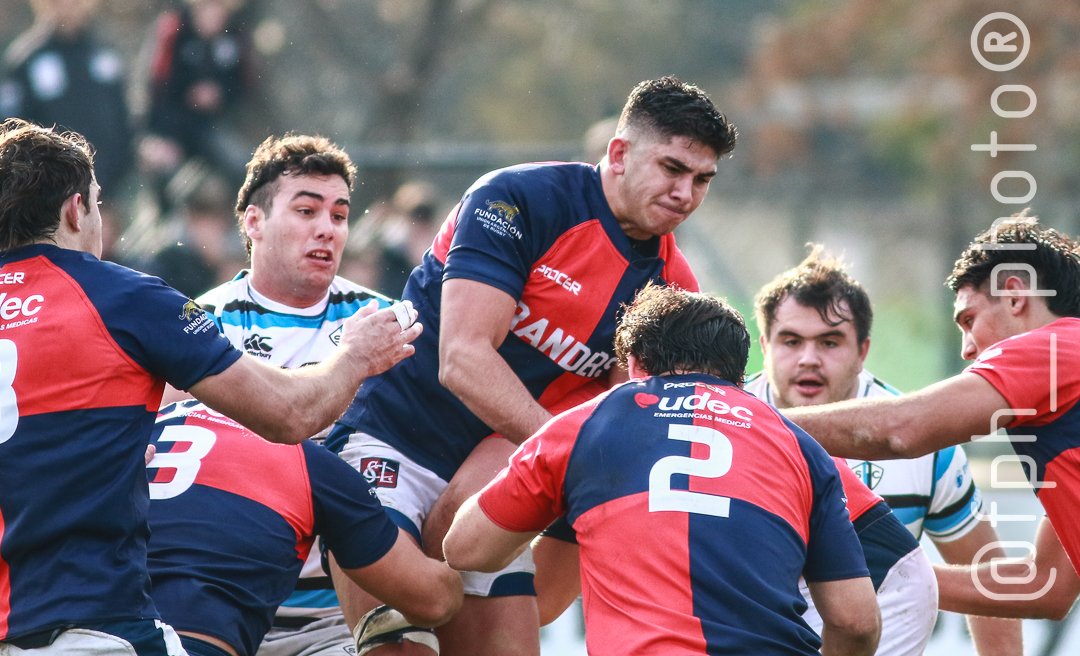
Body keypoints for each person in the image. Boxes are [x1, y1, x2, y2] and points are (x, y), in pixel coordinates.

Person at [325, 75, 737, 655]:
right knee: (410, 633)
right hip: (392, 438)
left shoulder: (671, 289)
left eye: (702, 180)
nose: (686, 193)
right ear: (618, 154)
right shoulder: (517, 198)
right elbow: (463, 360)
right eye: (672, 169)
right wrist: (559, 452)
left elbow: (619, 432)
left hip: (504, 456)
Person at [0, 117, 419, 654]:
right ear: (75, 209)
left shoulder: (373, 310)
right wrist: (355, 357)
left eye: (338, 214)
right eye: (100, 204)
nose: (327, 228)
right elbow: (287, 416)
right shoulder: (126, 298)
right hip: (94, 625)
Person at [443, 283, 881, 655]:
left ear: (634, 365)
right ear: (739, 373)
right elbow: (856, 621)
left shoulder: (588, 424)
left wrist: (566, 496)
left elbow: (464, 549)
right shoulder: (803, 446)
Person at [781, 214, 1080, 622]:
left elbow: (901, 429)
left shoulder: (1054, 349)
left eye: (968, 320)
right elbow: (1044, 586)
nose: (967, 350)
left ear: (1015, 295)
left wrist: (749, 422)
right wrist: (878, 571)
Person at [745, 245, 1022, 654]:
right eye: (791, 341)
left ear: (862, 352)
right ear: (765, 347)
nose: (808, 359)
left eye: (829, 342)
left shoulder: (923, 444)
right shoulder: (719, 424)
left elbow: (989, 578)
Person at [191, 132, 405, 656]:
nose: (326, 230)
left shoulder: (387, 323)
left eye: (338, 215)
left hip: (343, 611)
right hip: (218, 598)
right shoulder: (199, 323)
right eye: (306, 211)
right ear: (254, 222)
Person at [145, 400, 462, 656]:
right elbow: (432, 600)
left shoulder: (130, 433)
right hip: (202, 641)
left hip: (111, 633)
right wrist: (452, 562)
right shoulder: (312, 461)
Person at [1, 0, 135, 201]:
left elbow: (121, 120)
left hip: (109, 185)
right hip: (51, 190)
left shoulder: (105, 54)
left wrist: (118, 176)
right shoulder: (26, 59)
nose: (68, 6)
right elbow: (14, 127)